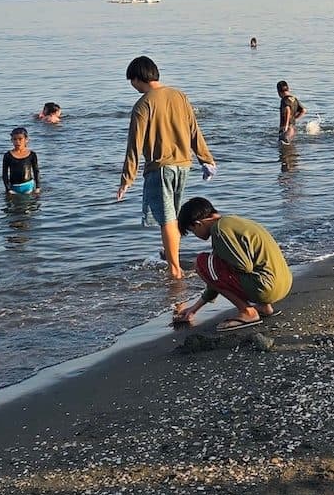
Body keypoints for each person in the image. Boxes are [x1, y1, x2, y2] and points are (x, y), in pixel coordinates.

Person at [114, 56, 216, 281]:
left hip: (160, 167)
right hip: (183, 165)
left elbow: (134, 145)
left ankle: (174, 269)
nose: (132, 86)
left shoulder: (143, 105)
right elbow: (194, 129)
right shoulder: (179, 96)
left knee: (167, 220)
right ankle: (174, 259)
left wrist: (127, 179)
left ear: (138, 78)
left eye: (132, 81)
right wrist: (206, 159)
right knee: (173, 218)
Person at [169, 198, 292, 332]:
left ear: (198, 224)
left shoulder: (219, 230)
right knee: (213, 265)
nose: (196, 235)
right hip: (283, 284)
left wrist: (221, 263)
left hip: (266, 288)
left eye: (192, 231)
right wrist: (194, 309)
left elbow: (243, 266)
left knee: (201, 262)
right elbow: (217, 276)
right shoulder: (233, 222)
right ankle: (265, 307)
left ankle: (248, 312)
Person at [3, 127, 41, 194]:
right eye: (15, 139)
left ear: (26, 140)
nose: (17, 142)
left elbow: (36, 171)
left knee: (30, 201)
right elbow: (4, 174)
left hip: (28, 186)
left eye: (20, 139)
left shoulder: (32, 154)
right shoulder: (8, 155)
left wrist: (38, 187)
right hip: (13, 187)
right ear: (11, 140)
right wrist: (8, 189)